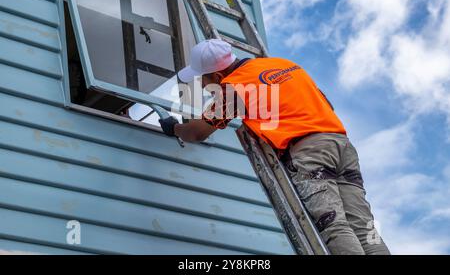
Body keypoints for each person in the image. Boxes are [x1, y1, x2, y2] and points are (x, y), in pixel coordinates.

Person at [159, 39, 390, 255]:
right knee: (363, 226)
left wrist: (174, 129)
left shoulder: (234, 87)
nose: (203, 87)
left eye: (204, 81)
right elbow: (325, 102)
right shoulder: (284, 64)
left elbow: (197, 132)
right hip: (340, 144)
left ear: (218, 74)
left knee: (332, 223)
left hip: (309, 152)